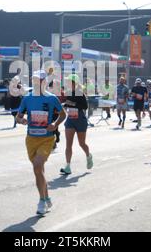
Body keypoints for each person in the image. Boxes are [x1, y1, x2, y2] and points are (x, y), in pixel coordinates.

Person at [16, 70, 66, 215]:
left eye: (39, 80)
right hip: (31, 139)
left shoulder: (51, 99)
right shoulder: (27, 98)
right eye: (34, 80)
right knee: (39, 171)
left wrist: (55, 124)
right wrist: (21, 120)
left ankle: (42, 201)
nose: (36, 83)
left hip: (47, 138)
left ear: (44, 82)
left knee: (37, 167)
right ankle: (47, 197)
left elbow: (63, 114)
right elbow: (18, 117)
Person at [60, 74, 93, 175]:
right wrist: (64, 105)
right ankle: (68, 166)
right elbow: (67, 104)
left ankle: (88, 156)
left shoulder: (80, 93)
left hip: (80, 120)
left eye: (69, 81)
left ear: (74, 83)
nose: (67, 83)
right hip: (70, 119)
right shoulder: (68, 93)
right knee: (68, 144)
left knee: (81, 143)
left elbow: (85, 106)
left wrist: (70, 103)